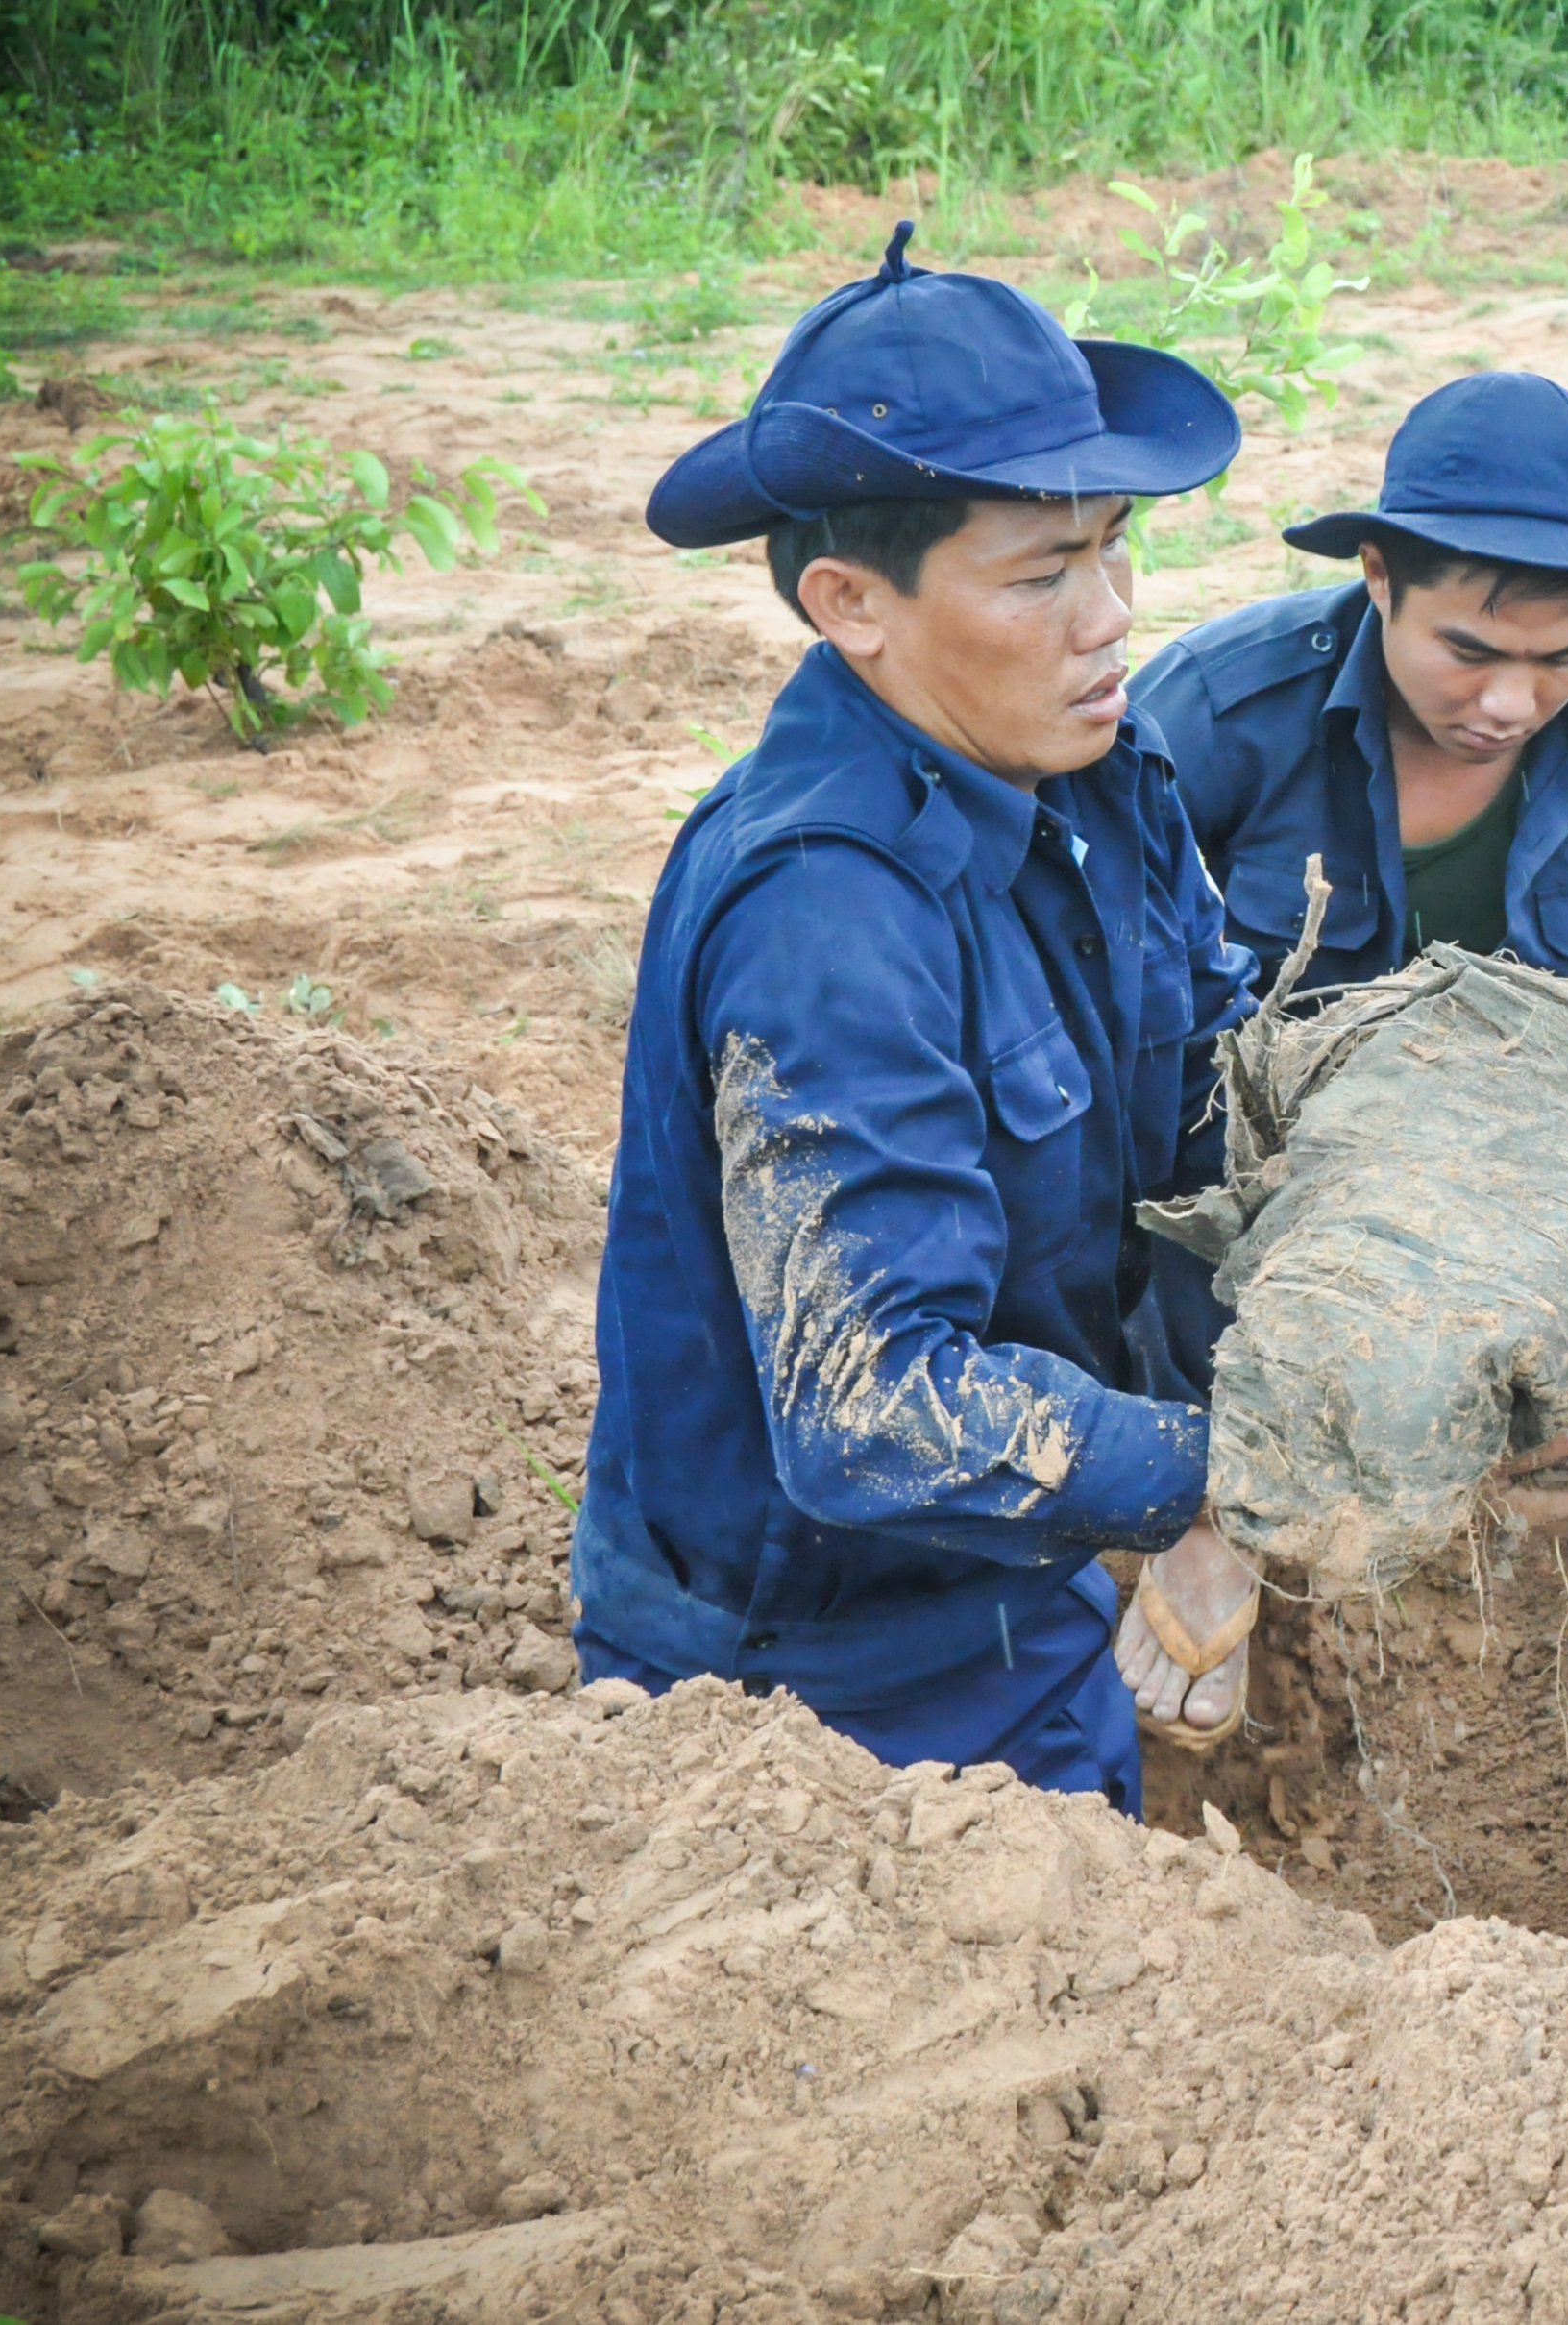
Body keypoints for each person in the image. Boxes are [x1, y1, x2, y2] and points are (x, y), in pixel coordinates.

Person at [573, 222, 1268, 1810]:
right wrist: (1223, 1467)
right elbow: (871, 1409)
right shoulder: (824, 917)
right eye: (1042, 573)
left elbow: (1218, 1104)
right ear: (852, 605)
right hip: (804, 1681)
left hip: (1017, 1589)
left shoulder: (1107, 775)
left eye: (1113, 546)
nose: (1109, 617)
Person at [1133, 369, 1568, 999]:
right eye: (1468, 652)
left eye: (1562, 658)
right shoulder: (1215, 709)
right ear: (1380, 576)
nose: (1509, 705)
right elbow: (1082, 967)